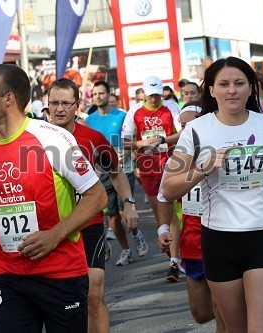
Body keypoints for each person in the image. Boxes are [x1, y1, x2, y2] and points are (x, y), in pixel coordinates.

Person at [162, 56, 263, 332]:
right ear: (211, 89)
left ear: (250, 88)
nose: (231, 90)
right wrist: (202, 170)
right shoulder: (197, 130)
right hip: (219, 239)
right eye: (224, 84)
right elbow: (168, 187)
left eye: (239, 83)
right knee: (236, 329)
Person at [0, 64, 107, 332]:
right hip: (9, 274)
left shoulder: (52, 139)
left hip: (59, 272)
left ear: (8, 99)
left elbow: (96, 196)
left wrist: (55, 234)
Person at [48, 78, 140, 333]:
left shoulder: (91, 136)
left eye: (66, 103)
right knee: (60, 300)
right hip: (50, 229)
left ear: (77, 105)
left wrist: (129, 203)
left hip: (87, 224)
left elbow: (116, 171)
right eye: (54, 103)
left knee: (93, 294)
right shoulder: (35, 138)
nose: (59, 109)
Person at [157, 102, 226, 332]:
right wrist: (163, 228)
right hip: (192, 242)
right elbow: (164, 197)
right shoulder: (176, 162)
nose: (187, 129)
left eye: (192, 124)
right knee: (201, 313)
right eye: (183, 125)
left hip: (221, 236)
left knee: (222, 311)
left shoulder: (220, 153)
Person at [122, 75, 183, 281]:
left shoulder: (172, 108)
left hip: (171, 164)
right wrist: (144, 142)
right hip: (148, 168)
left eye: (158, 94)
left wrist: (163, 139)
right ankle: (172, 252)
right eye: (151, 95)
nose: (155, 99)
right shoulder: (134, 112)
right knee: (160, 217)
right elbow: (125, 142)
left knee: (172, 211)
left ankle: (174, 261)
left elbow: (185, 133)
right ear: (145, 94)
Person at [86, 81, 148, 266]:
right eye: (95, 93)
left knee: (124, 212)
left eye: (101, 93)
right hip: (102, 172)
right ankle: (125, 250)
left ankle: (136, 235)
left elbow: (130, 140)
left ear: (108, 94)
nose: (98, 96)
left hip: (123, 168)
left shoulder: (122, 115)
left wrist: (126, 156)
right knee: (112, 216)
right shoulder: (89, 120)